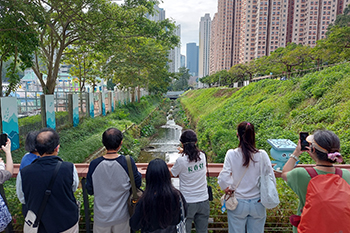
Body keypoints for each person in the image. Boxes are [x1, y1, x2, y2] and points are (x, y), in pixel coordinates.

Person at [281, 130, 350, 233]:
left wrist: (296, 153)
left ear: (312, 149)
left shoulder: (300, 174)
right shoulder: (346, 174)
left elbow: (285, 172)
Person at [16, 128, 79, 233]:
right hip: (67, 223)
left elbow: (22, 198)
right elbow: (73, 188)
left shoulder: (24, 173)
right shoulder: (69, 168)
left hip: (39, 226)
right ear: (57, 148)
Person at [218, 121, 275, 233]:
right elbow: (270, 178)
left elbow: (223, 177)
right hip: (258, 202)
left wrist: (226, 187)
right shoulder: (262, 154)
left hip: (238, 202)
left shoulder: (231, 154)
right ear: (253, 136)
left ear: (237, 135)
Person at [86, 127, 141, 233]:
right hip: (122, 217)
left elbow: (90, 189)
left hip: (101, 218)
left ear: (103, 143)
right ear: (121, 143)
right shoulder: (127, 162)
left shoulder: (94, 164)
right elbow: (137, 183)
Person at [130, 158, 187, 232]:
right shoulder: (177, 196)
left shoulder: (144, 200)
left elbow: (134, 224)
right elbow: (184, 213)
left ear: (149, 176)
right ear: (167, 175)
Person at [170, 129, 209, 233]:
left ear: (182, 144)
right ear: (195, 142)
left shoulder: (181, 160)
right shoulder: (203, 156)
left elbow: (171, 173)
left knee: (184, 230)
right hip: (203, 200)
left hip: (188, 202)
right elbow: (193, 155)